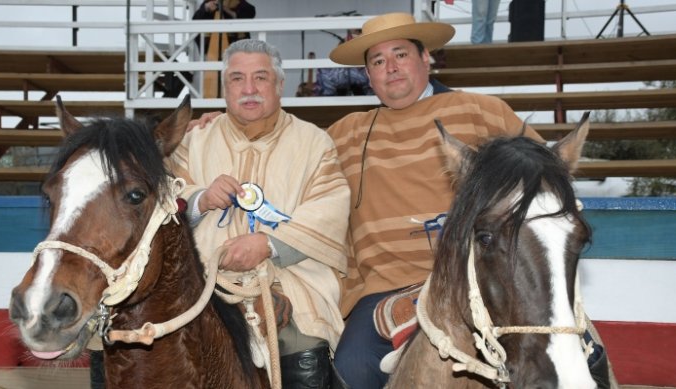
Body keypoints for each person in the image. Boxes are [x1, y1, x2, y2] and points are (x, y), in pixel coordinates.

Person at [325, 12, 612, 389]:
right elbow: (291, 156)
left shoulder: (481, 109)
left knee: (590, 361)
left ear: (426, 57)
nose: (390, 68)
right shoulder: (346, 133)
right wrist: (223, 124)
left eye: (400, 54)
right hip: (385, 286)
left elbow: (544, 174)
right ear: (368, 75)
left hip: (488, 277)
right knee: (350, 368)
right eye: (377, 61)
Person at [169, 39, 350, 388]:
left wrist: (270, 244)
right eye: (237, 78)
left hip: (287, 280)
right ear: (225, 88)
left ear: (280, 85)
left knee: (303, 339)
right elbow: (163, 193)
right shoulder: (194, 141)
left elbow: (328, 209)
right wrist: (199, 198)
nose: (249, 89)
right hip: (203, 281)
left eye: (261, 78)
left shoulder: (314, 143)